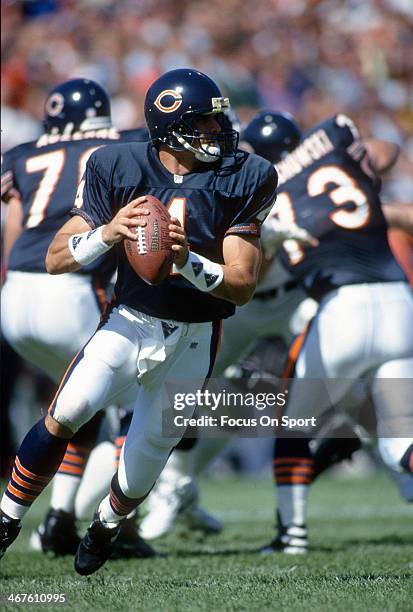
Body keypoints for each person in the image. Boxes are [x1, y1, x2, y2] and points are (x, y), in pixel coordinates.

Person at [0, 68, 278, 576]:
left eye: (219, 123)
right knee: (67, 412)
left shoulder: (246, 175)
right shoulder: (116, 163)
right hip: (130, 319)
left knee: (145, 456)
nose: (219, 134)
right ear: (169, 127)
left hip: (195, 337)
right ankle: (7, 519)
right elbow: (57, 257)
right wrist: (107, 233)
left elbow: (241, 284)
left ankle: (106, 525)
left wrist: (187, 260)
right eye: (206, 126)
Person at [140, 110, 320, 540]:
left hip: (295, 300)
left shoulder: (295, 182)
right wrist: (272, 236)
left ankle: (397, 463)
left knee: (344, 375)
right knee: (189, 389)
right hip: (244, 303)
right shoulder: (235, 179)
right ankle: (174, 488)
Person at [1, 78, 154, 558]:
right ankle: (117, 522)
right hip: (69, 288)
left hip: (16, 296)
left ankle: (60, 520)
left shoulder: (22, 152)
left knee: (77, 405)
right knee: (134, 405)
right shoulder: (124, 140)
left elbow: (14, 228)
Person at [259, 113, 413, 554]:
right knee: (401, 440)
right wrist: (364, 155)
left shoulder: (266, 189)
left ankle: (292, 535)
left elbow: (253, 275)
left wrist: (267, 243)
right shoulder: (336, 151)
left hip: (341, 308)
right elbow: (386, 151)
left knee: (292, 426)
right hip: (400, 301)